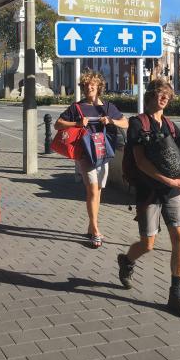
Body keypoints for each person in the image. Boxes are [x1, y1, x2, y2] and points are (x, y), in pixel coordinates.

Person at [117, 78, 180, 318]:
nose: (164, 98)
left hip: (171, 191)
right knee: (148, 245)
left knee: (179, 237)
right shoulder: (137, 124)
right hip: (149, 190)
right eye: (161, 94)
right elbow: (140, 162)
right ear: (151, 95)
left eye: (168, 96)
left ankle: (176, 292)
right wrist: (167, 180)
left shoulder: (170, 125)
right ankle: (127, 261)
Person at [54, 70, 128, 249]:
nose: (89, 88)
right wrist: (77, 124)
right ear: (83, 88)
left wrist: (110, 121)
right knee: (93, 190)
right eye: (86, 85)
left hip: (103, 153)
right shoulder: (77, 107)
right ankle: (95, 229)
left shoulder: (108, 107)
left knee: (99, 190)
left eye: (92, 85)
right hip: (85, 154)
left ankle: (90, 224)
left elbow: (125, 123)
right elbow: (57, 124)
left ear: (99, 87)